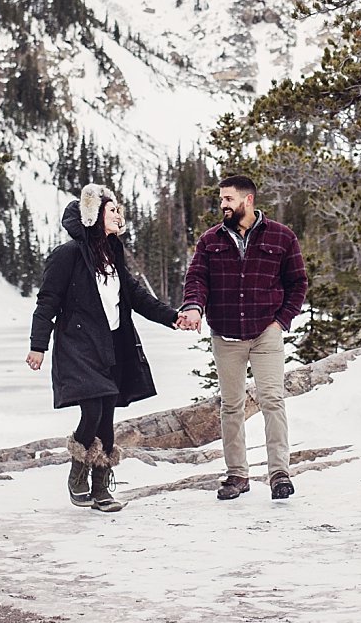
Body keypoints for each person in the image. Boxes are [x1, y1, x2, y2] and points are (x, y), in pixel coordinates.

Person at [28, 183, 180, 512]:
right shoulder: (68, 255)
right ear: (95, 216)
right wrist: (38, 345)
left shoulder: (112, 254)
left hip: (112, 344)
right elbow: (48, 301)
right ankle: (77, 468)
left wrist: (172, 317)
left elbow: (136, 296)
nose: (119, 215)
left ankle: (100, 488)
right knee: (93, 409)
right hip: (78, 344)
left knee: (107, 416)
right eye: (112, 210)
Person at [177, 174, 308, 500]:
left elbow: (298, 283)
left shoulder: (282, 237)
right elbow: (197, 279)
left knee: (272, 400)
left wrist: (281, 321)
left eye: (228, 199)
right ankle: (237, 475)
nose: (222, 204)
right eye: (221, 199)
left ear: (247, 201)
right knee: (231, 406)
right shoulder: (210, 241)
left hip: (266, 332)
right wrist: (193, 307)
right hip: (226, 337)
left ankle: (279, 474)